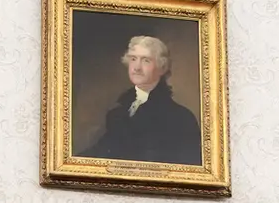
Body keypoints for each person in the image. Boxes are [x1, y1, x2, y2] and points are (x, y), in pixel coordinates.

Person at [79, 35, 204, 166]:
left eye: (146, 60)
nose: (137, 67)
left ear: (162, 68)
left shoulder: (180, 118)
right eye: (133, 59)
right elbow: (99, 153)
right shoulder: (117, 114)